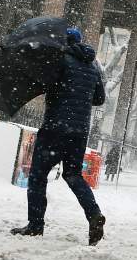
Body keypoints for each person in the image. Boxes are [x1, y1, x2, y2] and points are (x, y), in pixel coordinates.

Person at [11, 27, 107, 246]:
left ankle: (35, 225)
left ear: (65, 43)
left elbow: (46, 83)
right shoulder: (93, 66)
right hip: (80, 131)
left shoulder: (61, 60)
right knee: (73, 175)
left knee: (38, 175)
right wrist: (80, 94)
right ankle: (94, 214)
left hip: (56, 127)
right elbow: (99, 98)